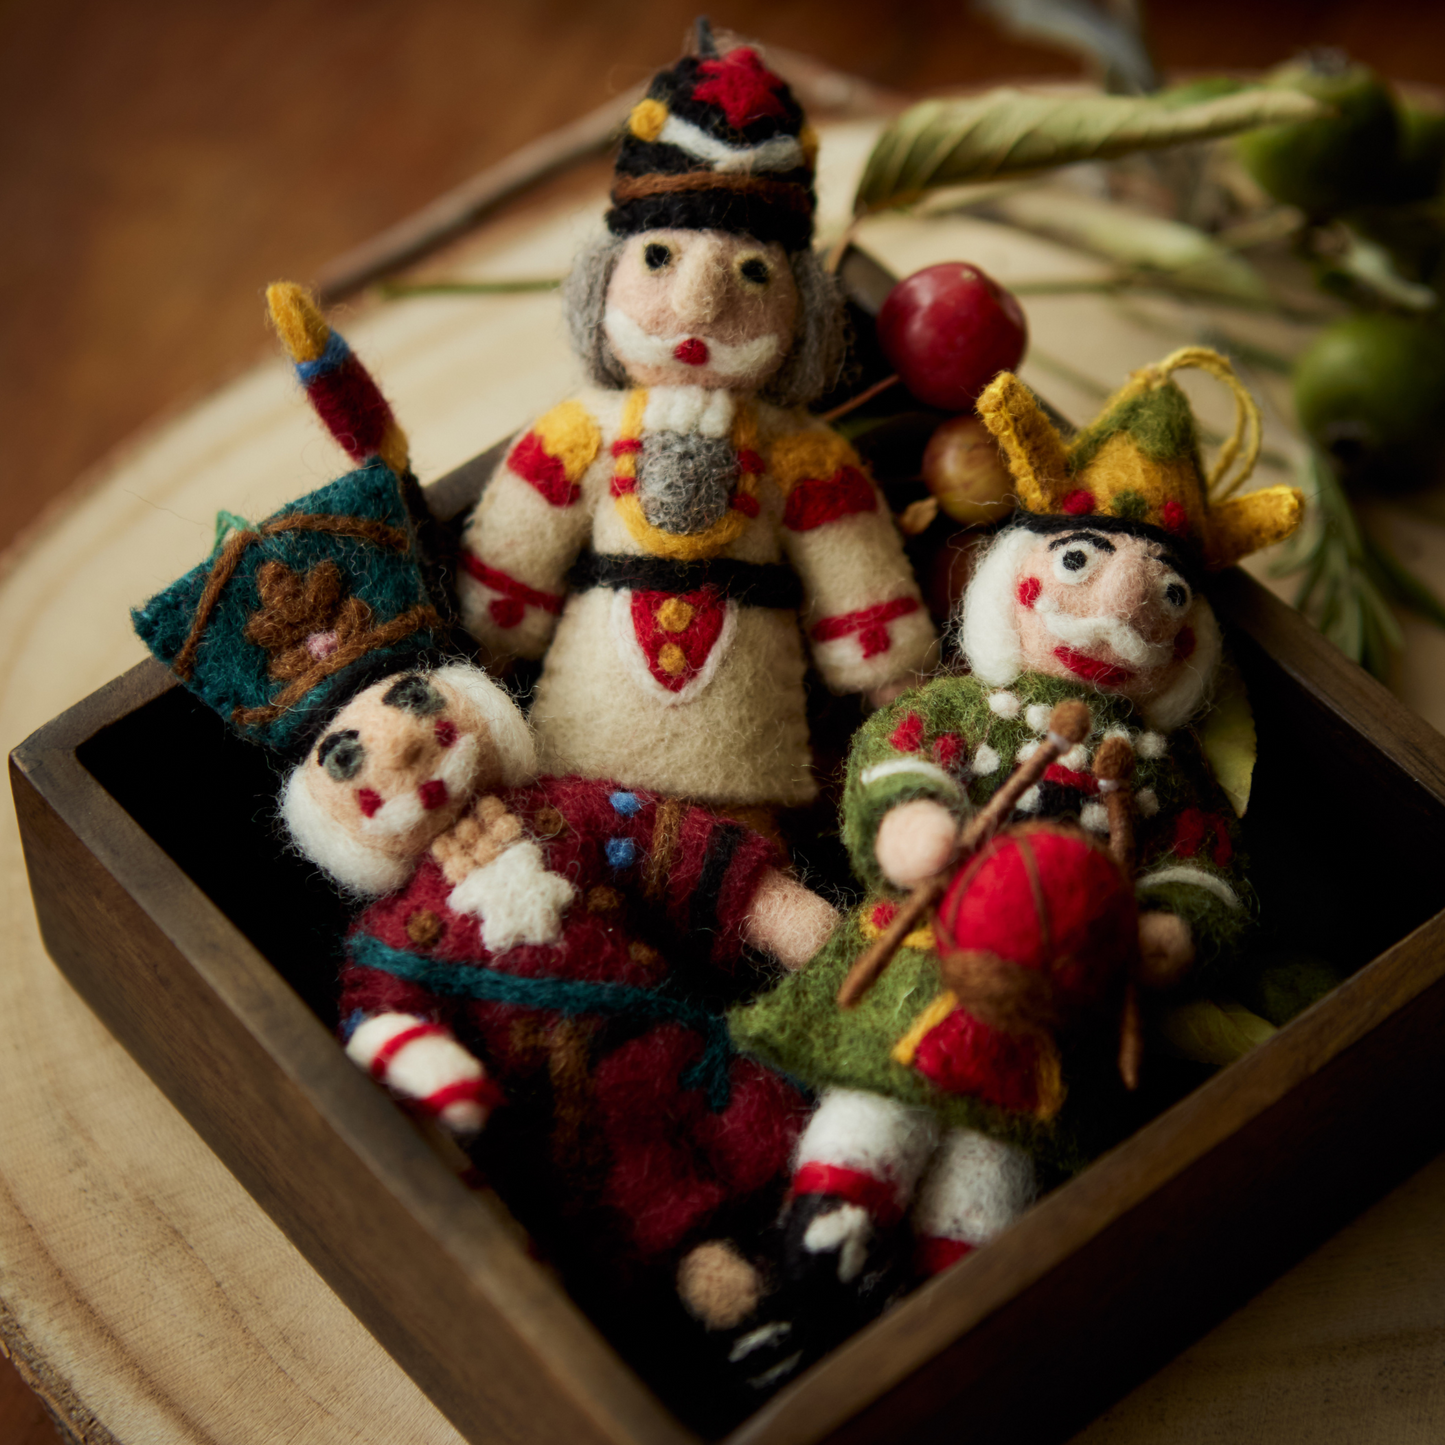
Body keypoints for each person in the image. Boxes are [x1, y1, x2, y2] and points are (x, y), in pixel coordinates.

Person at [720, 348, 1304, 1324]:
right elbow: (895, 751)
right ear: (1017, 579)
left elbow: (1204, 864)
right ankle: (821, 1252)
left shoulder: (1166, 774)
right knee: (877, 1098)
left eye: (1162, 594)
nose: (1117, 607)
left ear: (1186, 638)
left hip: (1050, 1004)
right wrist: (911, 820)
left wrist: (1171, 928)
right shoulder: (965, 708)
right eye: (1079, 559)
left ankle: (955, 1304)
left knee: (996, 1152)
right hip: (913, 956)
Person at [456, 24, 935, 810]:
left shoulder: (800, 458)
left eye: (751, 273)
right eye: (658, 258)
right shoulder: (580, 432)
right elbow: (517, 550)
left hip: (742, 747)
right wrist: (484, 655)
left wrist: (897, 688)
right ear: (601, 278)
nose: (697, 304)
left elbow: (851, 562)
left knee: (743, 863)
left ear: (803, 312)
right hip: (581, 739)